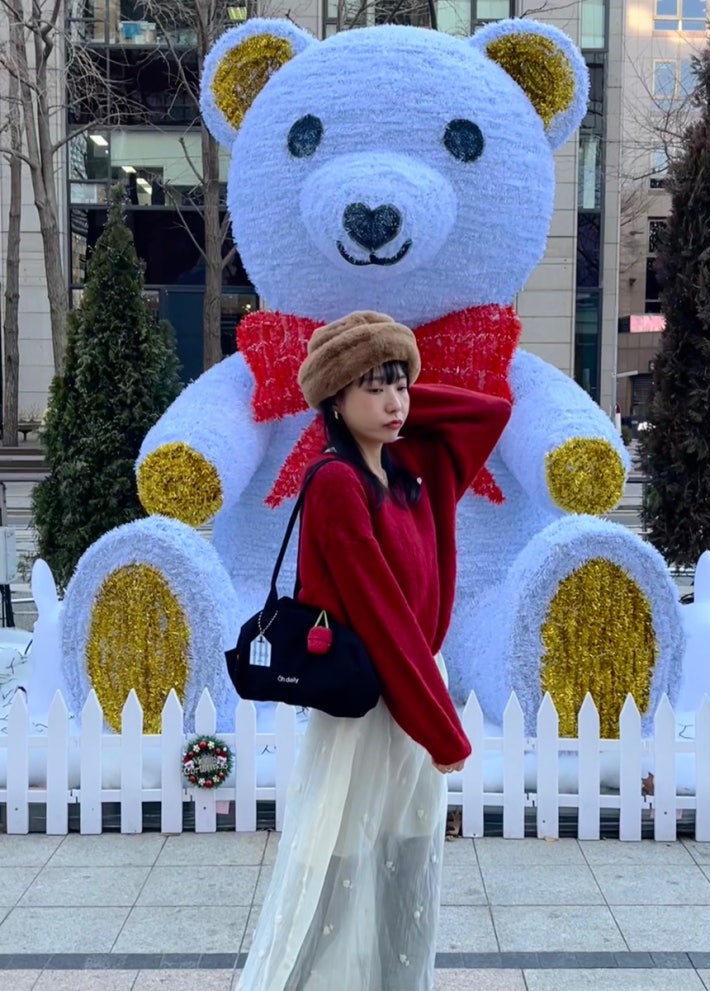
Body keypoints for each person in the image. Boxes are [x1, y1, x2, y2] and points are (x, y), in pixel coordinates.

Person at [237, 311, 511, 991]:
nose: (394, 402)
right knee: (342, 870)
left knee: (405, 863)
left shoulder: (414, 468)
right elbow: (382, 618)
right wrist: (440, 728)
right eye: (373, 387)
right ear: (334, 397)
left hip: (414, 687)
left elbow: (488, 414)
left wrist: (392, 382)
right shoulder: (336, 483)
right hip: (370, 707)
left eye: (400, 385)